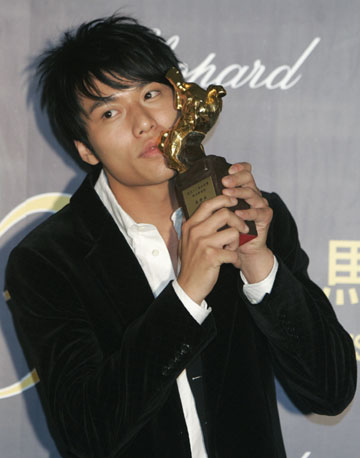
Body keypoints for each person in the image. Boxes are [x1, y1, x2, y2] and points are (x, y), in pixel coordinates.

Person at [5, 15, 356, 458]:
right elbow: (87, 435)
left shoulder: (253, 214)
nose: (145, 123)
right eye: (111, 111)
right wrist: (187, 292)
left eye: (151, 94)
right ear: (86, 149)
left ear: (184, 101)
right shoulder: (47, 260)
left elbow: (330, 392)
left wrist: (257, 260)